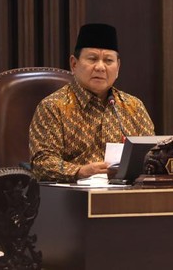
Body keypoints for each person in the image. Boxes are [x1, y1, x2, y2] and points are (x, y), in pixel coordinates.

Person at [29, 23, 154, 182]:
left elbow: (152, 156)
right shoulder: (53, 107)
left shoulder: (133, 107)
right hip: (73, 198)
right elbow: (42, 163)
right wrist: (80, 171)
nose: (101, 67)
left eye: (108, 61)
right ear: (74, 64)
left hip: (124, 197)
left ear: (118, 67)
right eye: (92, 59)